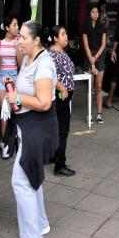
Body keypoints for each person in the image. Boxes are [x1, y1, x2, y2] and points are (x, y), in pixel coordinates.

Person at [4, 21, 59, 238]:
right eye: (18, 37)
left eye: (22, 37)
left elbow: (45, 101)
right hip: (27, 126)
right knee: (32, 175)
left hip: (38, 128)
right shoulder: (29, 58)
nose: (19, 41)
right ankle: (41, 223)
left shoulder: (43, 63)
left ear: (36, 40)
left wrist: (16, 98)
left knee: (21, 180)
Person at [48, 25, 76, 176]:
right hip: (60, 98)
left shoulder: (61, 52)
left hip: (64, 98)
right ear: (55, 38)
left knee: (59, 128)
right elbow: (52, 76)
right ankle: (60, 165)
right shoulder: (53, 54)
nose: (66, 36)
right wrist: (63, 89)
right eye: (63, 34)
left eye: (66, 33)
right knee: (62, 130)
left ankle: (54, 156)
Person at [0, 14, 22, 150]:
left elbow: (21, 64)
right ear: (7, 27)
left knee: (16, 107)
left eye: (17, 25)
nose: (17, 27)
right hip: (0, 78)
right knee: (5, 108)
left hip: (15, 76)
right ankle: (4, 143)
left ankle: (15, 139)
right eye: (14, 25)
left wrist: (17, 48)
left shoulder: (18, 41)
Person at [82, 6, 108, 123]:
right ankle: (89, 114)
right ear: (90, 14)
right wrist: (91, 59)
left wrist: (95, 58)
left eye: (97, 12)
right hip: (89, 56)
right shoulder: (85, 27)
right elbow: (86, 45)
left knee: (99, 86)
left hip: (99, 56)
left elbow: (103, 45)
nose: (95, 14)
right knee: (90, 87)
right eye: (93, 12)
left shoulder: (102, 27)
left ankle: (99, 114)